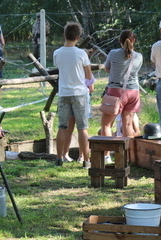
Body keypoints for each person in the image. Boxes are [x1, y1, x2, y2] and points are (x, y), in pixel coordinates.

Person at [53, 22, 94, 168]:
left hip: (64, 93)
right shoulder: (82, 53)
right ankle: (86, 160)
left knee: (62, 126)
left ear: (64, 35)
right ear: (78, 37)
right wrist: (90, 84)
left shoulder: (57, 53)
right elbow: (88, 75)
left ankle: (59, 159)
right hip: (79, 93)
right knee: (82, 128)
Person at [100, 30, 143, 163]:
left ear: (119, 41)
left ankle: (107, 155)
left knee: (106, 125)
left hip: (115, 92)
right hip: (134, 92)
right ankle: (127, 157)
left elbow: (107, 68)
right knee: (128, 125)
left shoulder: (113, 53)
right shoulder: (139, 56)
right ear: (134, 41)